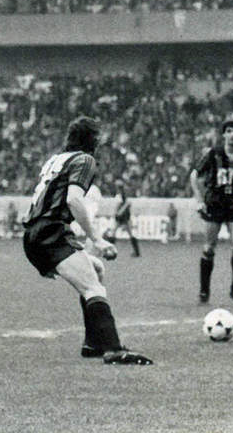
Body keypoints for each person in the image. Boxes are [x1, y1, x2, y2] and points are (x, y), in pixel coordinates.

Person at [21, 116, 152, 365]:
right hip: (52, 232)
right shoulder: (85, 160)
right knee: (94, 288)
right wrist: (97, 239)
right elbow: (73, 199)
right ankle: (113, 349)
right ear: (93, 140)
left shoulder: (55, 160)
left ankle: (92, 343)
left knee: (96, 270)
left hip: (34, 234)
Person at [189, 119, 233, 305]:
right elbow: (195, 175)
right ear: (224, 135)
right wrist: (199, 200)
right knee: (209, 248)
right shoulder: (213, 153)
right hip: (215, 204)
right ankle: (204, 291)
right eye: (229, 131)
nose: (232, 134)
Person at [112, 186, 141, 258]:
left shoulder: (121, 199)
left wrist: (117, 213)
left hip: (123, 218)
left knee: (114, 233)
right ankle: (137, 252)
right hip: (124, 218)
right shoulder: (124, 199)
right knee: (128, 234)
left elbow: (119, 209)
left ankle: (110, 251)